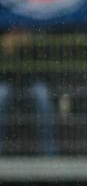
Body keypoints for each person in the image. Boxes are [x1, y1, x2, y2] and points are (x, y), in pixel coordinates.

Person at [0, 28, 57, 156]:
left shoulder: (37, 27)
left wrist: (28, 47)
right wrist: (6, 52)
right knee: (1, 96)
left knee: (42, 97)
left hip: (32, 81)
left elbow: (43, 65)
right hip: (5, 81)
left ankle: (48, 154)